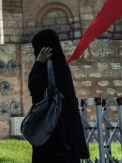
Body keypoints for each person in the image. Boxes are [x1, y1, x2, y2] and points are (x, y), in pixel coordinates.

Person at [28, 29, 90, 163]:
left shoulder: (53, 65)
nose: (35, 52)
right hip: (63, 127)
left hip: (54, 128)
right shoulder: (61, 64)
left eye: (36, 48)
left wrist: (39, 62)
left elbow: (34, 87)